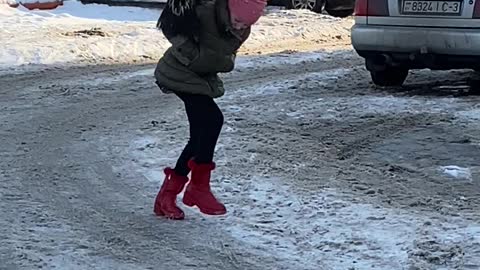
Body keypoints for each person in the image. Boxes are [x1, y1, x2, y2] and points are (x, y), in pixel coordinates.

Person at [153, 0, 267, 220]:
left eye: (245, 24)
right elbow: (169, 25)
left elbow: (220, 53)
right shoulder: (205, 10)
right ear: (229, 9)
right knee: (213, 119)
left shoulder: (241, 29)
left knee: (199, 136)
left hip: (200, 77)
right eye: (237, 21)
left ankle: (168, 195)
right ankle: (197, 188)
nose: (240, 27)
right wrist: (191, 53)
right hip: (178, 72)